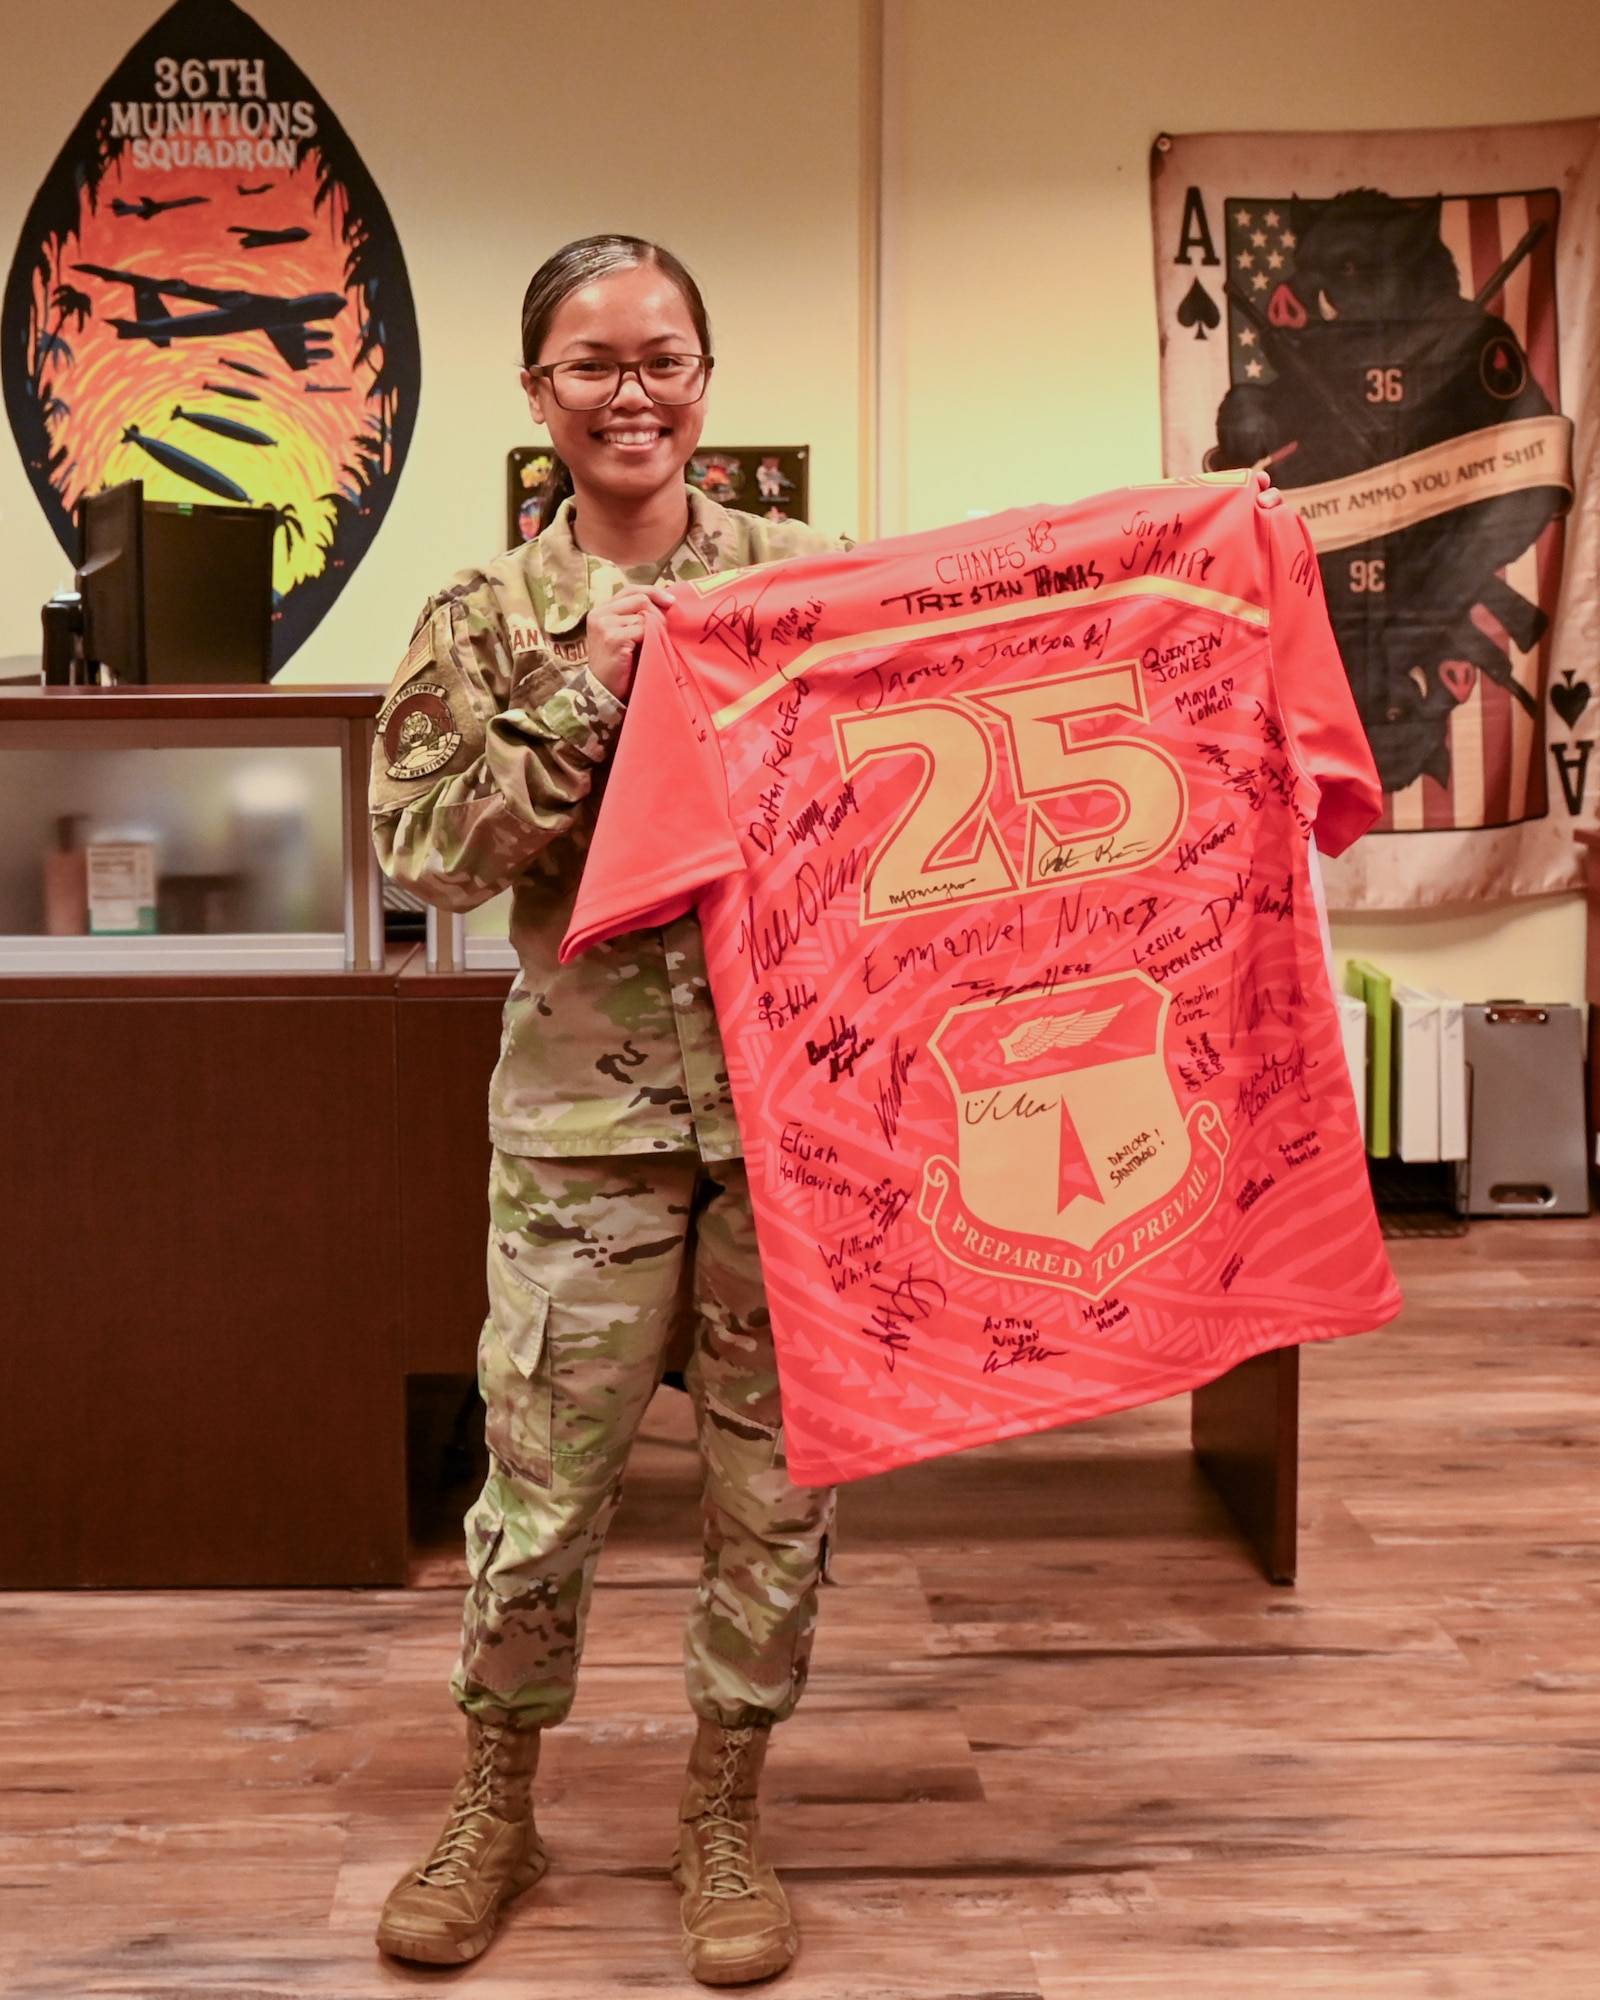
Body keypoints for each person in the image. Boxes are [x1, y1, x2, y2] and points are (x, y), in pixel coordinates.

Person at [368, 235, 838, 1987]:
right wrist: (594, 687)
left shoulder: (809, 583)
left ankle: (725, 1809)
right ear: (539, 395)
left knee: (777, 1491)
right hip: (584, 1129)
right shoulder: (483, 617)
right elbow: (423, 844)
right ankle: (498, 1800)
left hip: (798, 1123)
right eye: (592, 363)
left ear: (708, 375)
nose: (631, 391)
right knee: (541, 1494)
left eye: (663, 356)